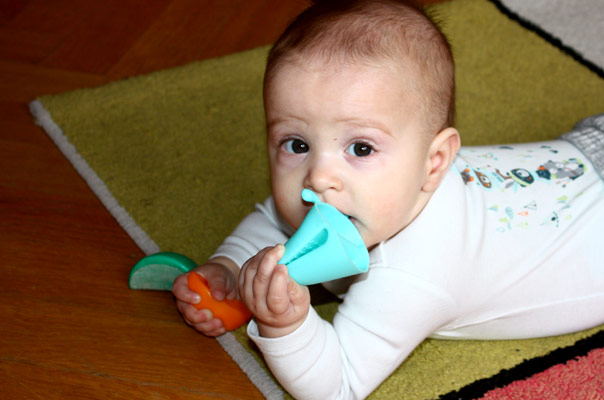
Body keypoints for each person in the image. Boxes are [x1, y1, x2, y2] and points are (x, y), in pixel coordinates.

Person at [173, 0, 604, 398]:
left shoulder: (412, 274)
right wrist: (229, 266)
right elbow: (273, 220)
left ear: (434, 163)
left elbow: (337, 385)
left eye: (360, 149)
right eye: (297, 144)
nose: (319, 177)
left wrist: (286, 325)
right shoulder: (356, 195)